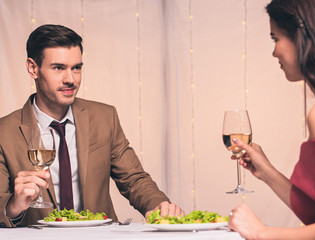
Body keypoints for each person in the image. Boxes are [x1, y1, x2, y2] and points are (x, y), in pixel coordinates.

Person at [0, 24, 183, 227]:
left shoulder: (105, 117)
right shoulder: (4, 132)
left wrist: (159, 206)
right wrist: (14, 206)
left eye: (76, 68)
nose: (70, 79)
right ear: (33, 68)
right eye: (59, 68)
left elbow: (134, 180)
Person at [228, 0, 315, 239]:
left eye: (276, 38)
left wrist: (260, 233)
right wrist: (266, 171)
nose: (274, 51)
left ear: (303, 37)